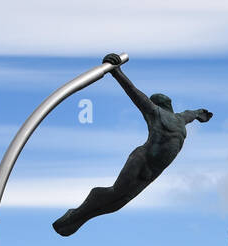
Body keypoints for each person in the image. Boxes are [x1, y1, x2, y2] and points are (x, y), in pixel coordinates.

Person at [53, 54, 212, 236]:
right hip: (141, 159)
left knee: (119, 203)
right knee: (115, 194)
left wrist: (201, 114)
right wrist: (117, 72)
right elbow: (134, 92)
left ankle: (77, 218)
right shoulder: (154, 112)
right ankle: (75, 215)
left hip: (153, 170)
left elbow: (193, 113)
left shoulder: (180, 119)